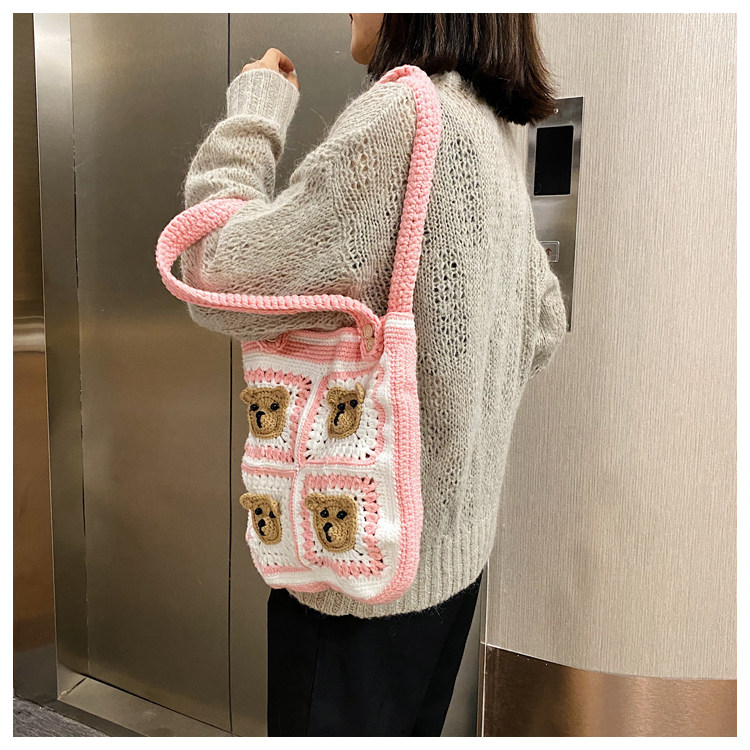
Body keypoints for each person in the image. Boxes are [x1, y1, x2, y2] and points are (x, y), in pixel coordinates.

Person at [178, 13, 566, 737]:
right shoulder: (489, 133)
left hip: (356, 572)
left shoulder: (401, 118)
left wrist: (254, 114)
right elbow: (545, 323)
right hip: (448, 565)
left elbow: (210, 269)